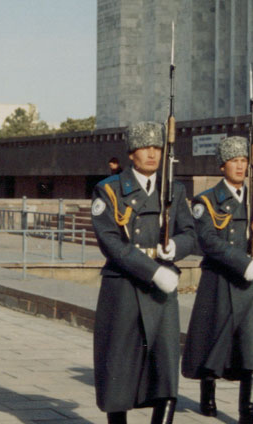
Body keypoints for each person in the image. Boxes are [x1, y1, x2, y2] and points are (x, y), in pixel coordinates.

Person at [91, 121, 197, 424]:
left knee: (164, 365)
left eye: (157, 148)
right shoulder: (109, 189)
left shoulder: (174, 190)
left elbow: (190, 232)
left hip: (162, 290)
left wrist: (176, 246)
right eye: (145, 147)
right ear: (131, 153)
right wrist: (152, 271)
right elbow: (110, 242)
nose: (152, 154)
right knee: (119, 366)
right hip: (124, 285)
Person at [181, 136, 253, 424]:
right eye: (234, 161)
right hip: (220, 280)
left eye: (244, 161)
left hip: (250, 284)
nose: (240, 166)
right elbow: (208, 241)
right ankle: (207, 394)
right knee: (215, 338)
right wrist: (241, 262)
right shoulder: (206, 201)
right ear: (222, 166)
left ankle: (247, 412)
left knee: (250, 343)